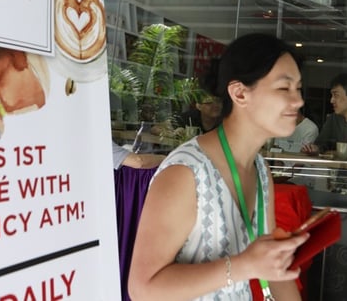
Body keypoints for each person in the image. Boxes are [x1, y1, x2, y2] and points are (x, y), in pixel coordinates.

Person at [128, 33, 309, 301]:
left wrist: (260, 263)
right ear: (239, 93)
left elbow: (274, 269)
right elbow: (143, 289)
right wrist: (243, 266)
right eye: (284, 88)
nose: (298, 101)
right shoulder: (186, 173)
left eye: (298, 88)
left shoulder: (260, 170)